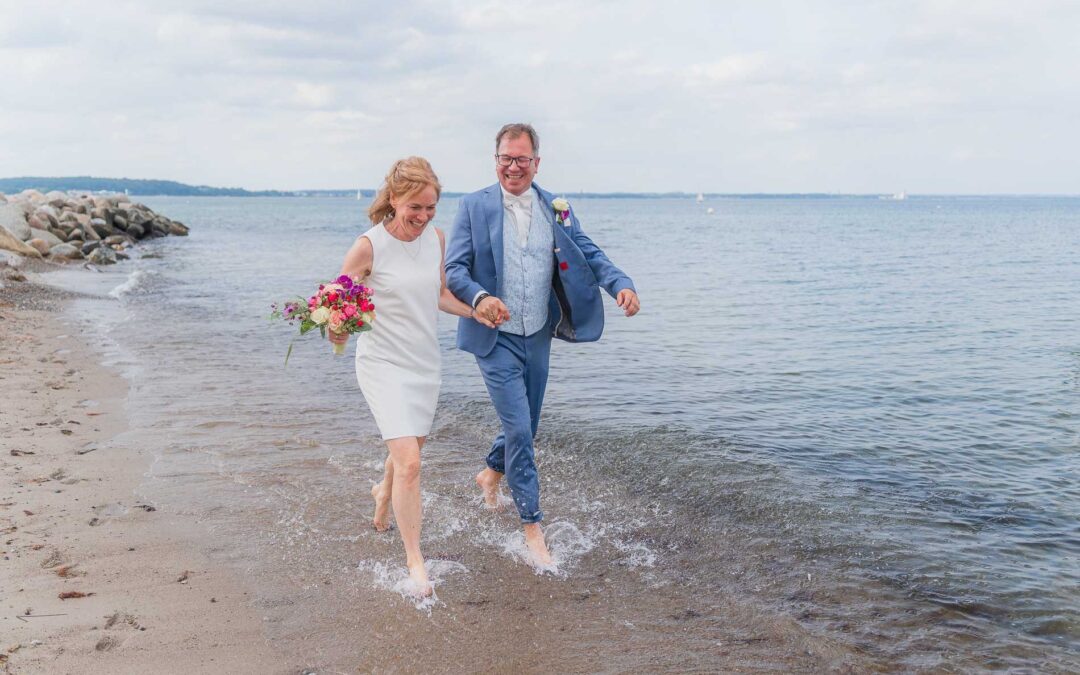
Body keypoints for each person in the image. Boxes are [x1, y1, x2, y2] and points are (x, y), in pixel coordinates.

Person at [445, 124, 640, 566]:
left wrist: (620, 284)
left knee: (527, 424)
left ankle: (490, 473)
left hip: (537, 334)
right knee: (519, 430)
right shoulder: (473, 205)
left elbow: (588, 253)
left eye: (522, 159)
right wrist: (480, 297)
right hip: (493, 337)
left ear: (536, 162)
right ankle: (533, 527)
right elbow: (454, 269)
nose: (512, 167)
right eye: (505, 158)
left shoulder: (558, 208)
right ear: (494, 159)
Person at [332, 157, 495, 595]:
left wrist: (477, 310)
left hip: (424, 363)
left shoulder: (436, 240)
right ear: (394, 199)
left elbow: (441, 294)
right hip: (382, 363)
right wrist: (335, 324)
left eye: (430, 208)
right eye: (415, 208)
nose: (423, 217)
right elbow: (337, 306)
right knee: (411, 463)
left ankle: (382, 494)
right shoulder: (368, 246)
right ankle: (414, 559)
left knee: (407, 452)